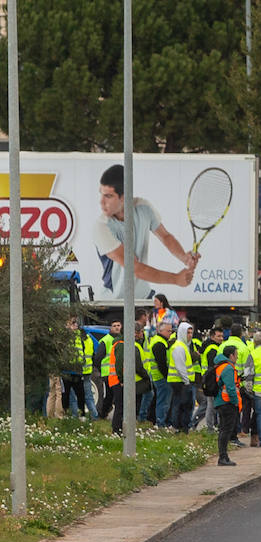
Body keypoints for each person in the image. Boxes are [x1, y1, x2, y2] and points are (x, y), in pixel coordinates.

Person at [93, 164, 198, 298]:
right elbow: (135, 268)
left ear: (124, 197)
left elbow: (165, 236)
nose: (101, 202)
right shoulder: (101, 227)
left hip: (144, 298)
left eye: (108, 196)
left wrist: (184, 258)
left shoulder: (144, 208)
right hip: (115, 302)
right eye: (101, 194)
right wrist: (176, 279)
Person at [62, 316, 96, 421]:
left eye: (76, 323)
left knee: (80, 394)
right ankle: (68, 415)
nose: (75, 325)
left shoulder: (81, 336)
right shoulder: (64, 336)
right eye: (72, 323)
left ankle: (82, 415)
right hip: (66, 370)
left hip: (77, 370)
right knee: (66, 395)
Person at [213, 346, 241, 466]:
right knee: (226, 430)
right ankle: (223, 457)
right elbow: (230, 388)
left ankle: (223, 457)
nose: (237, 357)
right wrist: (235, 402)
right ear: (231, 355)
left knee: (223, 430)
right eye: (236, 354)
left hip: (221, 402)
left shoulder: (221, 365)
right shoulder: (228, 368)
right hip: (227, 402)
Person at [147, 320, 176, 427]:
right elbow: (162, 364)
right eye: (168, 331)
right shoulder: (159, 343)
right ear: (160, 331)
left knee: (161, 401)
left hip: (157, 376)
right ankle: (161, 424)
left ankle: (159, 421)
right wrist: (168, 377)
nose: (170, 333)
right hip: (161, 377)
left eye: (171, 331)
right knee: (163, 402)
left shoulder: (159, 340)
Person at [168, 322, 196, 432]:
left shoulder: (183, 346)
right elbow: (180, 367)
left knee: (182, 405)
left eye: (191, 332)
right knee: (181, 406)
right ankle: (179, 427)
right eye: (187, 332)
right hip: (180, 381)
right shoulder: (179, 347)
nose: (190, 335)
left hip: (181, 381)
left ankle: (181, 427)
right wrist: (187, 381)